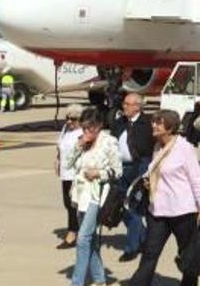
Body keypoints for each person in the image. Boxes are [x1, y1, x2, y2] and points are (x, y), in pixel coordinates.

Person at [128, 110, 200, 286]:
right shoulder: (158, 146)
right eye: (154, 122)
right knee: (150, 253)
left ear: (170, 127)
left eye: (158, 123)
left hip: (182, 211)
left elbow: (196, 179)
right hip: (158, 211)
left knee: (188, 254)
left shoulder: (184, 148)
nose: (154, 125)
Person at [67, 108, 122, 286]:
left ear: (98, 126)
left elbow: (117, 171)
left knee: (82, 239)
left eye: (89, 128)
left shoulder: (109, 142)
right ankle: (99, 278)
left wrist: (99, 173)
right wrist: (79, 145)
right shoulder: (82, 141)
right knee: (89, 241)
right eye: (83, 128)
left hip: (97, 195)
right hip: (80, 195)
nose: (85, 132)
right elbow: (68, 163)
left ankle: (77, 282)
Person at [110, 93, 154, 262]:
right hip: (120, 169)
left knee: (133, 208)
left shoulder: (148, 123)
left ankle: (132, 248)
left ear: (138, 106)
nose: (125, 106)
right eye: (124, 103)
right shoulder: (119, 123)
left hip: (139, 168)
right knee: (120, 205)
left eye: (128, 104)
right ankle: (143, 238)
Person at [55, 104, 84, 249]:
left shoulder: (83, 133)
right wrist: (58, 159)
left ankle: (72, 233)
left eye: (73, 119)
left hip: (76, 174)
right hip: (65, 174)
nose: (69, 122)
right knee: (68, 203)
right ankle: (76, 231)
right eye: (67, 118)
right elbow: (60, 145)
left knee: (74, 204)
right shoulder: (65, 130)